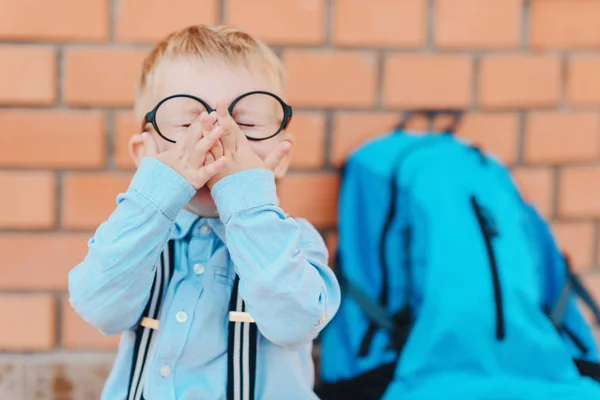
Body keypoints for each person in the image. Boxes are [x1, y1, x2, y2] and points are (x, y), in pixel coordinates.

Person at [68, 24, 341, 400]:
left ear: (280, 157)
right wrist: (157, 191)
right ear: (145, 156)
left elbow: (294, 324)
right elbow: (100, 308)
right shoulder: (138, 238)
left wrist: (245, 197)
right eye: (187, 125)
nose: (217, 142)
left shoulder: (296, 243)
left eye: (245, 125)